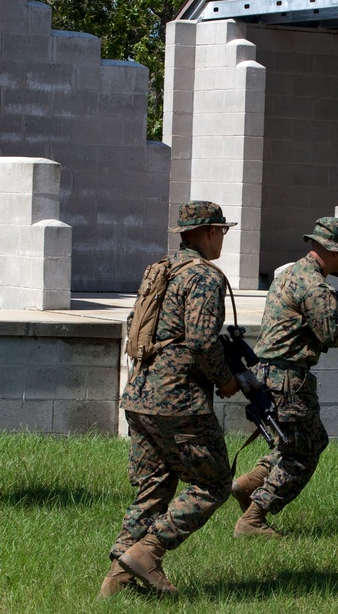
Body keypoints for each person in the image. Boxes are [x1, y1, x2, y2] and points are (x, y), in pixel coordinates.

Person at [100, 200, 241, 598]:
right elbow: (200, 341)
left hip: (140, 395)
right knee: (213, 484)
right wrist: (226, 379)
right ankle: (148, 551)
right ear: (208, 232)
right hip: (178, 400)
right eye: (222, 232)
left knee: (154, 490)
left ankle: (116, 581)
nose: (222, 240)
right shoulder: (203, 277)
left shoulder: (159, 269)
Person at [232, 217, 338, 538]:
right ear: (332, 250)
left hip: (269, 374)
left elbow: (306, 324)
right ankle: (253, 519)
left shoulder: (291, 274)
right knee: (304, 452)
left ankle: (248, 484)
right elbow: (332, 332)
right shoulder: (314, 285)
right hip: (288, 379)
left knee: (296, 442)